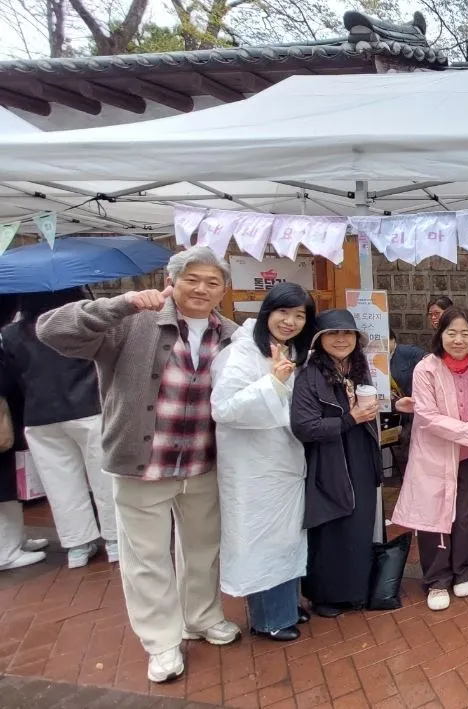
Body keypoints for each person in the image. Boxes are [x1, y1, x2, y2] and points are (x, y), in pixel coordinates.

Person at [36, 246, 241, 684]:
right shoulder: (133, 321)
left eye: (212, 282)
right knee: (146, 558)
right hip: (142, 462)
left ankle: (200, 618)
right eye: (192, 278)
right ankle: (163, 642)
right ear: (172, 280)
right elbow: (51, 330)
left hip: (204, 463)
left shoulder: (232, 334)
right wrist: (120, 303)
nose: (202, 289)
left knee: (203, 550)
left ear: (224, 289)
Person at [211, 283, 316, 641]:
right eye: (284, 312)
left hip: (284, 461)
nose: (290, 321)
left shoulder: (287, 351)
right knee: (263, 540)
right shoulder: (240, 353)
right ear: (267, 312)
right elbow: (224, 409)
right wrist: (272, 382)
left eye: (300, 316)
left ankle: (286, 605)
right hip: (254, 467)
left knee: (287, 536)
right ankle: (268, 618)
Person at [1, 288, 116, 569]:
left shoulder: (12, 333)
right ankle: (115, 540)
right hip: (89, 408)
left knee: (60, 484)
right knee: (106, 478)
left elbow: (13, 378)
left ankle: (77, 546)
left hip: (39, 415)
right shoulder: (81, 321)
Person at [392, 306, 468, 612]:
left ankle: (462, 571)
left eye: (465, 333)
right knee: (434, 519)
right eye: (451, 333)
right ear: (440, 335)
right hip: (434, 458)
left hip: (467, 457)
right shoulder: (426, 369)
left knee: (462, 517)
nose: (458, 340)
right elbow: (428, 417)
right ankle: (436, 579)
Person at [291, 309, 382, 618]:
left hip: (360, 453)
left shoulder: (357, 369)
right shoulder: (309, 375)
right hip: (329, 459)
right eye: (333, 333)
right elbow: (304, 427)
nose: (341, 339)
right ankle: (324, 595)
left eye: (347, 333)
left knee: (358, 524)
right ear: (320, 339)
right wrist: (349, 419)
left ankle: (354, 591)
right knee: (331, 525)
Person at [0, 296, 48, 572]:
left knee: (10, 488)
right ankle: (6, 552)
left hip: (12, 420)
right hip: (5, 424)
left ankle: (15, 540)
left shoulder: (7, 336)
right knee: (4, 489)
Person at [389, 331, 426, 477]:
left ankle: (414, 475)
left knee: (409, 439)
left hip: (412, 407)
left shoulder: (410, 352)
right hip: (392, 407)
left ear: (393, 339)